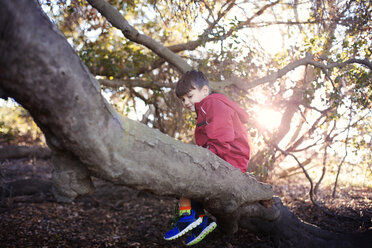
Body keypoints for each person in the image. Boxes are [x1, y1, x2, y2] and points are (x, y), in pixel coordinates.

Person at [163, 70, 251, 246]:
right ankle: (198, 221)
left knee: (189, 173)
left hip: (228, 159)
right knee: (187, 175)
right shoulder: (206, 107)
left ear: (204, 90)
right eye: (183, 100)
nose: (186, 102)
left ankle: (190, 218)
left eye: (189, 96)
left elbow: (221, 135)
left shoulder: (211, 103)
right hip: (226, 156)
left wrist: (205, 158)